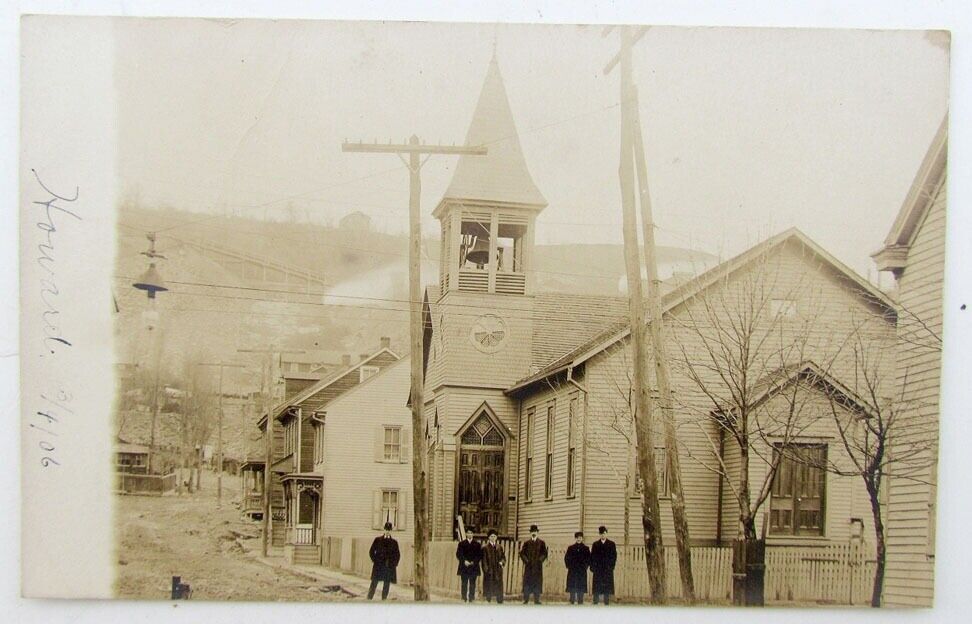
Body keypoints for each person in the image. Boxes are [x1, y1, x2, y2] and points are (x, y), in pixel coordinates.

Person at [367, 522, 400, 600]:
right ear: (384, 529)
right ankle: (369, 598)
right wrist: (375, 560)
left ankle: (383, 600)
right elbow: (371, 551)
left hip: (388, 567)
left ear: (391, 531)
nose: (387, 531)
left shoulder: (394, 543)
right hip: (379, 566)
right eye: (386, 529)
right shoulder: (378, 540)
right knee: (374, 583)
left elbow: (397, 555)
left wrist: (393, 564)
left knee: (386, 584)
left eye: (389, 529)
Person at [519, 524, 548, 604]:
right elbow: (522, 553)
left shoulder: (541, 543)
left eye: (535, 531)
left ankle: (537, 600)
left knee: (537, 583)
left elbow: (544, 553)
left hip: (538, 567)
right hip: (529, 567)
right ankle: (526, 599)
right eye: (532, 532)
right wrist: (526, 561)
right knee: (527, 583)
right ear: (530, 533)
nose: (533, 533)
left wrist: (540, 560)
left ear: (537, 532)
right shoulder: (527, 543)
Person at [590, 525, 617, 605]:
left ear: (607, 534)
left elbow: (614, 556)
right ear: (599, 534)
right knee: (597, 585)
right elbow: (592, 556)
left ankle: (606, 601)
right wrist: (593, 567)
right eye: (601, 533)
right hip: (598, 569)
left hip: (607, 569)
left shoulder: (611, 544)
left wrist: (611, 566)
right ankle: (595, 601)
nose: (603, 535)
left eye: (604, 533)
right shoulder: (595, 544)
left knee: (607, 586)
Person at [564, 531, 591, 604]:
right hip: (573, 570)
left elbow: (588, 559)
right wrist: (569, 566)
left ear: (582, 538)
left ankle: (580, 600)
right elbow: (566, 558)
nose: (579, 539)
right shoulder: (571, 548)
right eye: (577, 538)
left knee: (581, 585)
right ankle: (572, 600)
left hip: (581, 571)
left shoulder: (586, 548)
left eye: (580, 538)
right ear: (575, 538)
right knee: (572, 585)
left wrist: (585, 566)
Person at [456, 531, 483, 602]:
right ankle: (463, 597)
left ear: (473, 534)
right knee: (464, 583)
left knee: (472, 583)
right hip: (464, 566)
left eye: (471, 533)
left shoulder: (477, 544)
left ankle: (471, 598)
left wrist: (474, 562)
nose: (470, 534)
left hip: (473, 567)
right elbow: (459, 554)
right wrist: (464, 561)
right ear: (466, 534)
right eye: (468, 533)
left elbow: (479, 555)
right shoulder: (462, 544)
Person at [481, 529, 506, 603]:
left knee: (498, 585)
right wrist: (486, 570)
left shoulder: (499, 547)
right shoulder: (485, 548)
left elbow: (503, 557)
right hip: (490, 571)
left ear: (496, 537)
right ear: (488, 537)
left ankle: (500, 601)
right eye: (491, 536)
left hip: (498, 570)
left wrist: (502, 562)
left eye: (494, 536)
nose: (493, 538)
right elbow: (484, 561)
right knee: (489, 585)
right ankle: (488, 600)